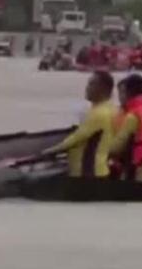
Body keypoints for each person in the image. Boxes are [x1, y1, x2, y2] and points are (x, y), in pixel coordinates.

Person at [37, 70, 117, 201]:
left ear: (103, 88)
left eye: (92, 84)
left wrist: (49, 151)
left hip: (87, 175)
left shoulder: (98, 114)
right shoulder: (111, 109)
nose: (87, 88)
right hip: (99, 172)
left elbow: (75, 139)